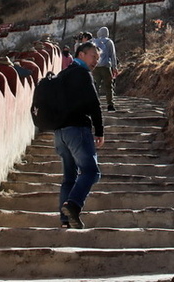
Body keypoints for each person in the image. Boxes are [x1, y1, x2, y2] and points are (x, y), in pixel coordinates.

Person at [54, 41, 105, 228]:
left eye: (98, 58)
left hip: (60, 133)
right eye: (93, 56)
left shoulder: (63, 74)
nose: (96, 61)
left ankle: (65, 220)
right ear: (81, 54)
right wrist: (99, 131)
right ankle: (73, 205)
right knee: (91, 171)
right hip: (77, 129)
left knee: (69, 177)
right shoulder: (83, 74)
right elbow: (94, 104)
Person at [92, 27, 119, 111]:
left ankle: (95, 104)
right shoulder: (109, 42)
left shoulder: (94, 42)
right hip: (106, 67)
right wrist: (114, 67)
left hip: (95, 67)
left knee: (95, 86)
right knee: (108, 86)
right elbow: (113, 56)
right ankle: (110, 105)